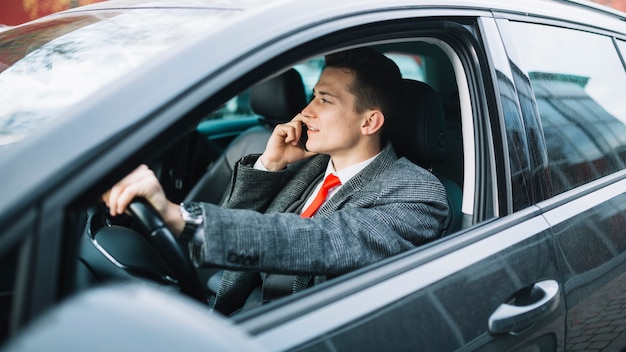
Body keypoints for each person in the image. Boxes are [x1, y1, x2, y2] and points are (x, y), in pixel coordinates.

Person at [103, 47, 449, 315]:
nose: (305, 111)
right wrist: (270, 164)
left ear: (369, 122)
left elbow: (322, 240)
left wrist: (179, 216)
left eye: (324, 100)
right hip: (232, 311)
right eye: (313, 95)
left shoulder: (417, 191)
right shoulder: (306, 164)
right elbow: (230, 238)